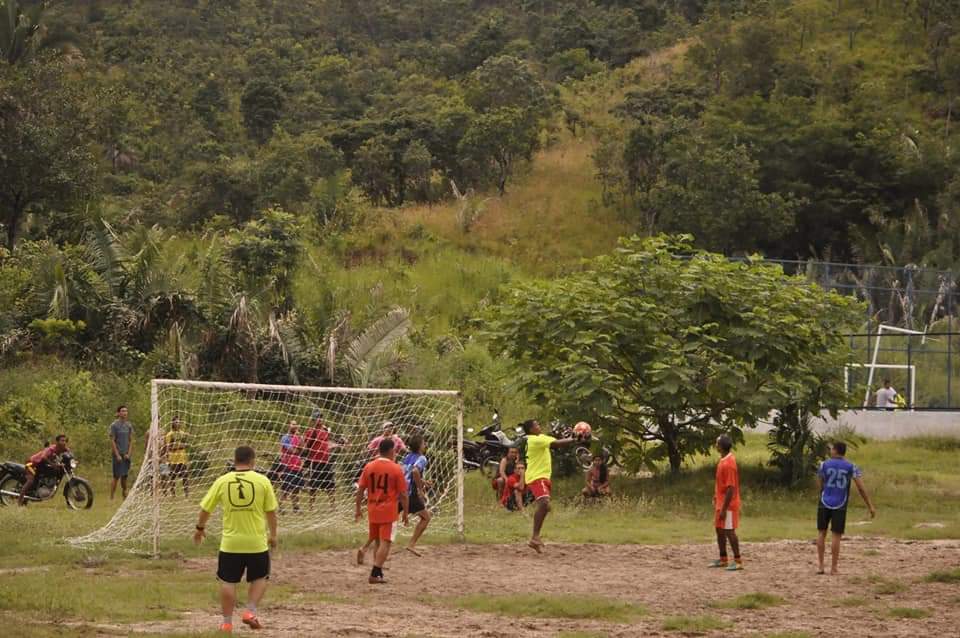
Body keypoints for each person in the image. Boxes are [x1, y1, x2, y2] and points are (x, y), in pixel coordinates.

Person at [194, 445, 278, 633]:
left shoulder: (222, 481)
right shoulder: (263, 481)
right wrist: (273, 536)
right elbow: (271, 512)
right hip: (256, 543)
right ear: (252, 461)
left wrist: (199, 529)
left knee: (227, 582)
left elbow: (206, 509)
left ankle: (226, 623)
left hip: (230, 544)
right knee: (261, 577)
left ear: (234, 460)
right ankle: (250, 611)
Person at [521, 419, 588, 553]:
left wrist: (574, 437)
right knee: (544, 503)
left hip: (543, 476)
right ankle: (534, 538)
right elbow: (557, 443)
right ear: (531, 429)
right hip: (536, 477)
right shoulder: (534, 439)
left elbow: (560, 441)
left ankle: (536, 538)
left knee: (545, 506)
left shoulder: (541, 437)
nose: (539, 426)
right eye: (537, 425)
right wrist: (575, 438)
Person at [817, 441, 877, 575]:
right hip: (840, 503)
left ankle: (821, 566)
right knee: (836, 535)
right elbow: (861, 488)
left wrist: (823, 493)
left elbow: (820, 484)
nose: (830, 450)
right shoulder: (851, 466)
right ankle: (834, 568)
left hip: (824, 501)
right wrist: (870, 505)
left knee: (821, 533)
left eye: (831, 449)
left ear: (836, 451)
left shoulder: (823, 464)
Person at [355, 438, 408, 584]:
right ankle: (375, 572)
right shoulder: (396, 468)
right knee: (386, 542)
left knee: (378, 540)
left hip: (373, 508)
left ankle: (378, 571)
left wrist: (358, 508)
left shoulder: (369, 466)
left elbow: (360, 490)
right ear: (391, 451)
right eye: (395, 450)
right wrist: (405, 512)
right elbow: (403, 494)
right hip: (388, 510)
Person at [710, 434, 743, 571]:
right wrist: (716, 496)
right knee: (719, 530)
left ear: (721, 446)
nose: (715, 445)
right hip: (720, 502)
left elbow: (731, 488)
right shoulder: (723, 460)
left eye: (717, 443)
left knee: (729, 531)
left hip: (728, 505)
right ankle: (723, 558)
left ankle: (738, 560)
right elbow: (721, 484)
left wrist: (724, 508)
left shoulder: (729, 464)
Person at [400, 434, 432, 557]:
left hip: (400, 491)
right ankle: (411, 544)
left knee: (389, 519)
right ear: (419, 446)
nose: (425, 445)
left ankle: (367, 546)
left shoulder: (407, 457)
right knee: (426, 518)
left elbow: (406, 473)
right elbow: (414, 471)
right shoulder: (422, 458)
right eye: (424, 443)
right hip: (410, 494)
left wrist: (423, 482)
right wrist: (420, 490)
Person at [19, 434, 69, 506]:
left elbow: (69, 453)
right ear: (57, 442)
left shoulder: (63, 448)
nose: (64, 442)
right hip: (32, 464)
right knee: (30, 480)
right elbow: (43, 457)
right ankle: (20, 501)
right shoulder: (51, 449)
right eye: (62, 440)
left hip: (41, 466)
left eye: (65, 441)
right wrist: (53, 465)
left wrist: (72, 460)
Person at [303, 410, 338, 510]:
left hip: (326, 461)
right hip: (315, 461)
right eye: (318, 417)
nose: (320, 419)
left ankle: (333, 506)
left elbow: (327, 443)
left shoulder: (325, 430)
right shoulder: (311, 431)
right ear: (314, 419)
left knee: (330, 484)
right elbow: (307, 446)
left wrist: (338, 444)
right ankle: (311, 506)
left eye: (321, 417)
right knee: (314, 485)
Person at [109, 405, 135, 500]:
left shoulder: (129, 425)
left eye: (126, 411)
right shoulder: (114, 425)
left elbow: (131, 440)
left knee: (125, 476)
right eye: (122, 411)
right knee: (116, 476)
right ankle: (111, 496)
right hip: (118, 455)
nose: (124, 413)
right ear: (118, 413)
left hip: (126, 455)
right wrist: (117, 455)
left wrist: (129, 453)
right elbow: (112, 441)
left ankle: (124, 494)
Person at [278, 421, 303, 513]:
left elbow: (302, 449)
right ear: (288, 426)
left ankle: (295, 507)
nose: (294, 425)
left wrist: (299, 438)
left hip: (297, 466)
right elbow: (293, 451)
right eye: (292, 424)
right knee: (286, 489)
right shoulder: (285, 438)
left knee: (296, 488)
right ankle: (281, 507)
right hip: (287, 465)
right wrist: (298, 449)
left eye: (296, 424)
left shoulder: (298, 437)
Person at [162, 415, 190, 498]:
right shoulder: (169, 434)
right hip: (173, 458)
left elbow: (185, 443)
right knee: (172, 477)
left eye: (179, 422)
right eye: (176, 422)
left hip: (182, 458)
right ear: (173, 423)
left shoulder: (182, 433)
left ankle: (187, 494)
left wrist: (185, 444)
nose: (178, 423)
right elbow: (167, 447)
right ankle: (173, 494)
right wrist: (168, 456)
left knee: (185, 475)